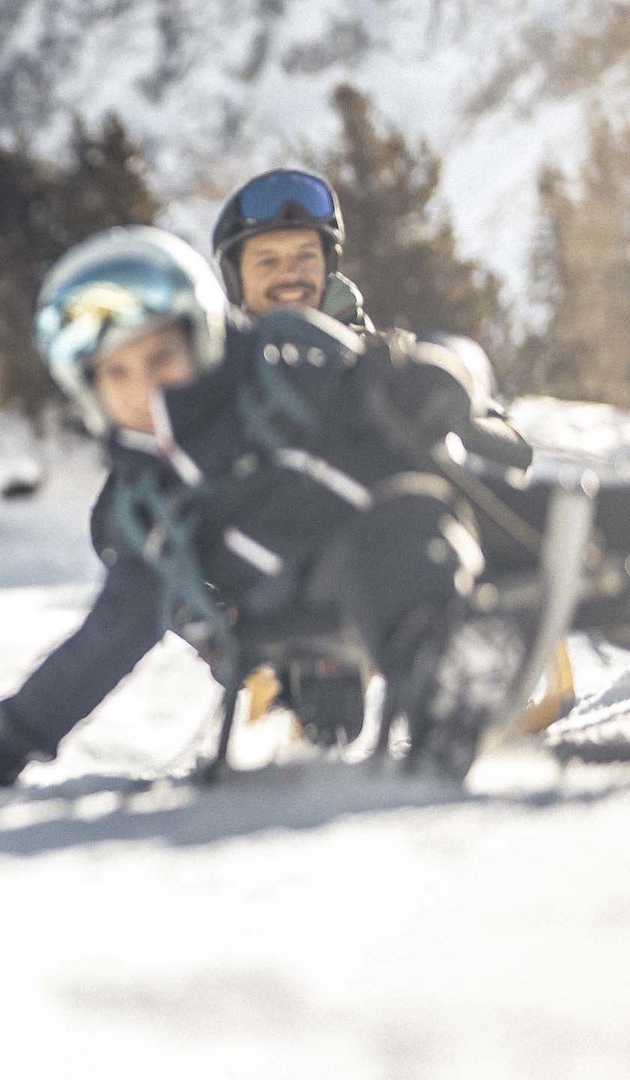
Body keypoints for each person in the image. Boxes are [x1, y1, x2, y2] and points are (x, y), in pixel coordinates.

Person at [0, 226, 627, 791]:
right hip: (327, 602)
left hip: (461, 509)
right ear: (89, 391)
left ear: (201, 338)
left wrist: (427, 384)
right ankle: (448, 682)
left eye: (160, 358)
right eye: (117, 374)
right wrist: (0, 751)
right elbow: (106, 641)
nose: (144, 389)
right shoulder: (149, 507)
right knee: (396, 530)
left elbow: (404, 375)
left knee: (595, 523)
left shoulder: (284, 368)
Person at [211, 168, 545, 744]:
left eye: (304, 258)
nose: (290, 275)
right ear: (235, 280)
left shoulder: (378, 356)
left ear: (329, 266)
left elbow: (500, 442)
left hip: (420, 543)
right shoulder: (220, 390)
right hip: (296, 580)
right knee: (325, 706)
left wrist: (451, 404)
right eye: (268, 261)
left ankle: (475, 679)